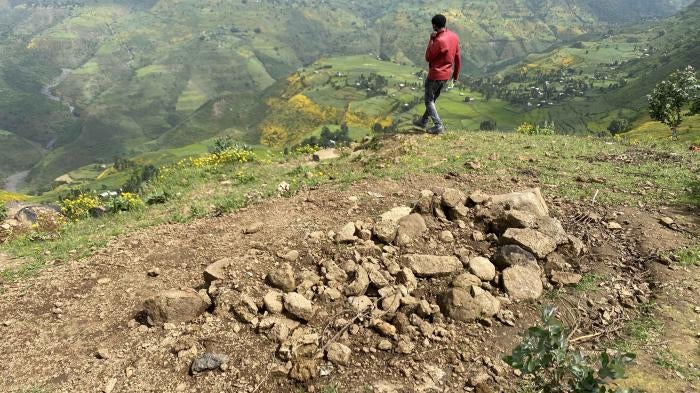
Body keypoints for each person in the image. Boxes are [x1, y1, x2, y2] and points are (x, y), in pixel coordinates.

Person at [413, 14, 461, 135]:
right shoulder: (454, 37)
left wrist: (431, 39)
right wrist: (455, 76)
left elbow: (428, 57)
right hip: (446, 75)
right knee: (433, 99)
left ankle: (438, 125)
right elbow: (457, 58)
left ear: (434, 25)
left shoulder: (439, 40)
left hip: (435, 75)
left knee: (428, 101)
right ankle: (423, 121)